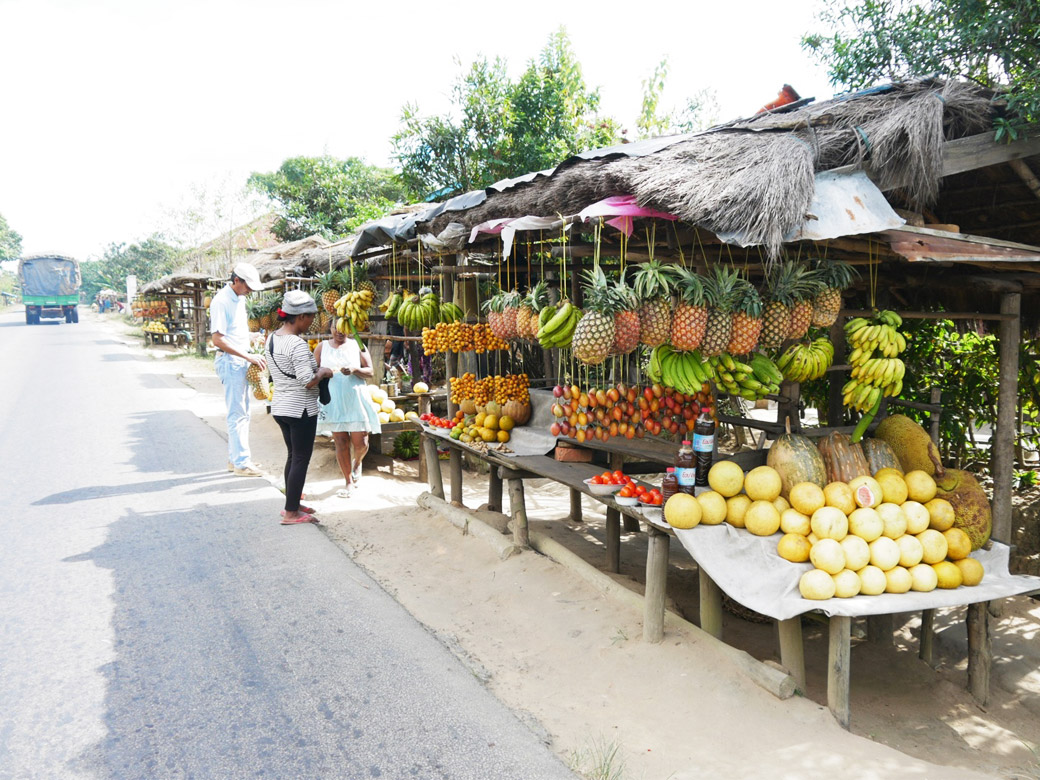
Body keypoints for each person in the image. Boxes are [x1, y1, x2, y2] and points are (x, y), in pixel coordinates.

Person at [266, 290, 333, 525]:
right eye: (311, 317)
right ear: (301, 316)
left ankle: (291, 504)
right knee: (301, 458)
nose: (312, 321)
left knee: (293, 456)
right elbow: (308, 380)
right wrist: (324, 371)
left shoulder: (273, 337)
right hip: (300, 409)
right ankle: (292, 513)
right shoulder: (296, 343)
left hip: (281, 407)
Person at [210, 262, 267, 476]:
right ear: (236, 281)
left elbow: (232, 332)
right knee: (238, 414)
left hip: (238, 360)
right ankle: (242, 464)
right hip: (230, 361)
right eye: (248, 286)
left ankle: (236, 459)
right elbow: (217, 339)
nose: (251, 290)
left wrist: (250, 338)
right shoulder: (222, 301)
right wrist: (248, 355)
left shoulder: (239, 299)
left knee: (243, 412)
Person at [315, 318, 381, 498]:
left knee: (362, 442)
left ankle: (357, 462)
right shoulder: (322, 347)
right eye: (335, 327)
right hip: (333, 401)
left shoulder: (357, 345)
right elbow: (313, 372)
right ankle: (348, 481)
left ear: (349, 329)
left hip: (355, 399)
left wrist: (354, 369)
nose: (339, 331)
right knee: (341, 442)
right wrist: (322, 374)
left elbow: (370, 371)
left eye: (343, 328)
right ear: (330, 328)